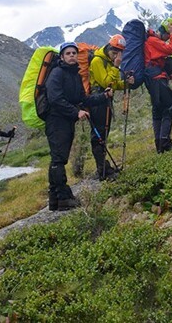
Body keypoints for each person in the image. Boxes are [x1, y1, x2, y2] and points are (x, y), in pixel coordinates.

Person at [44, 42, 113, 211]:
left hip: (66, 122)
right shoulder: (57, 73)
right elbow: (55, 99)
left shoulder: (75, 75)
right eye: (68, 53)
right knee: (59, 159)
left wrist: (103, 97)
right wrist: (76, 113)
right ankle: (63, 197)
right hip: (56, 121)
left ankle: (55, 200)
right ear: (62, 56)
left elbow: (83, 99)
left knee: (58, 158)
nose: (72, 56)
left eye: (74, 53)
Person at [88, 35, 127, 181]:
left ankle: (103, 168)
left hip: (106, 102)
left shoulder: (109, 62)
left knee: (103, 134)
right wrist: (116, 67)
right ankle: (102, 169)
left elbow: (114, 84)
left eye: (119, 53)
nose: (116, 56)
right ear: (109, 48)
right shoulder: (97, 61)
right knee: (98, 136)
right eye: (115, 52)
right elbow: (106, 83)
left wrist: (125, 84)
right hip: (97, 102)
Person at [144, 19, 172, 153]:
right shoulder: (153, 41)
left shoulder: (150, 41)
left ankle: (159, 144)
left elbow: (155, 61)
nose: (166, 39)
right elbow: (171, 49)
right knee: (169, 107)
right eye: (166, 37)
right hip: (157, 79)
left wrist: (169, 76)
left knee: (158, 110)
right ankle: (164, 142)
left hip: (153, 78)